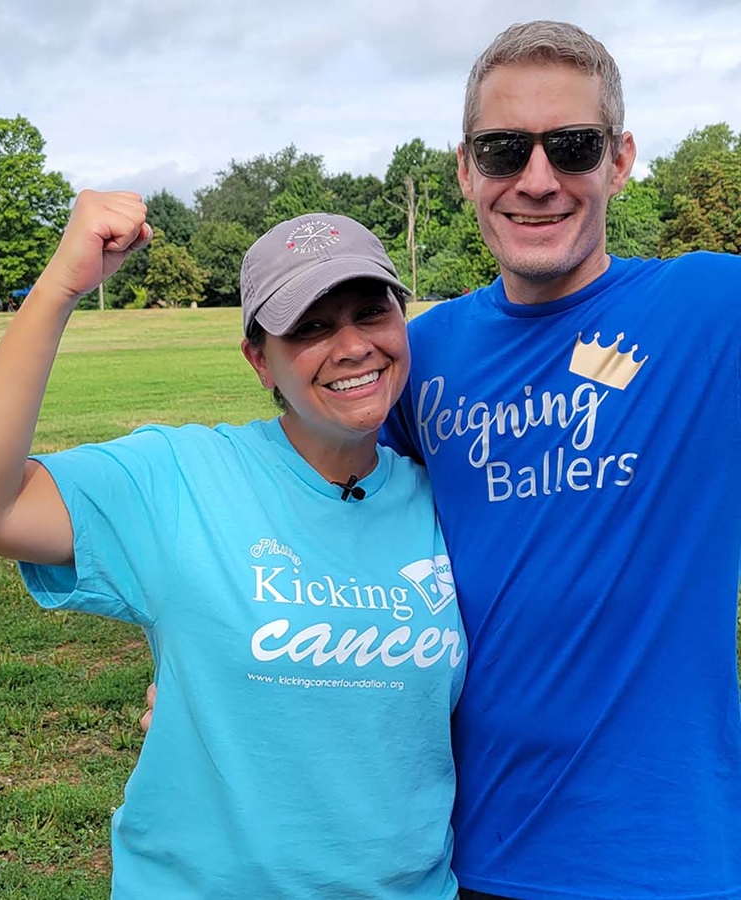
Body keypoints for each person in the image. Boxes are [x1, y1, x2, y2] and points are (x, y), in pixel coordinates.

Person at [146, 20, 741, 900]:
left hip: (664, 854)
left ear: (619, 161)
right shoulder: (421, 355)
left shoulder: (710, 309)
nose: (537, 179)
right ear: (466, 170)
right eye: (504, 150)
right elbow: (332, 517)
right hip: (468, 850)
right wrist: (207, 661)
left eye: (572, 146)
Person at [0, 191, 468, 898]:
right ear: (260, 361)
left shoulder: (447, 497)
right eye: (311, 327)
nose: (351, 346)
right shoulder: (181, 477)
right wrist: (61, 286)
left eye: (372, 312)